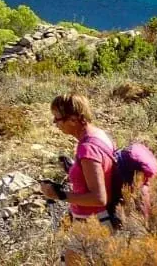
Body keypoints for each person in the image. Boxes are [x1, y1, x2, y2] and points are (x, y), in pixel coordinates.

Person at [38, 94, 115, 225]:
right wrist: (73, 169)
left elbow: (98, 198)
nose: (54, 122)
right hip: (100, 218)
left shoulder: (88, 149)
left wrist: (59, 195)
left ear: (73, 119)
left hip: (94, 224)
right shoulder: (100, 135)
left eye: (57, 118)